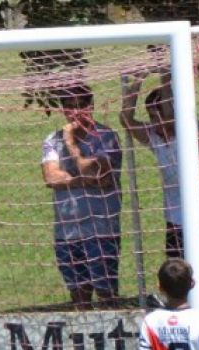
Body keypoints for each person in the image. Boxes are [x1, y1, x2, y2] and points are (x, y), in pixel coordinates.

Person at [120, 77, 199, 258]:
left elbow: (170, 116)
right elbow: (125, 119)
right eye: (151, 116)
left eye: (158, 115)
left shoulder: (188, 129)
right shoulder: (153, 136)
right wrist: (138, 79)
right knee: (176, 265)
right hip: (176, 216)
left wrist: (164, 78)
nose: (155, 121)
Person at [41, 84, 123, 310]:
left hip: (101, 229)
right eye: (68, 107)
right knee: (78, 297)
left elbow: (101, 175)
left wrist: (71, 144)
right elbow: (50, 177)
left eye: (80, 106)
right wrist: (83, 178)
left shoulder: (106, 137)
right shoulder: (51, 139)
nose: (74, 112)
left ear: (91, 106)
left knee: (106, 295)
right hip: (67, 232)